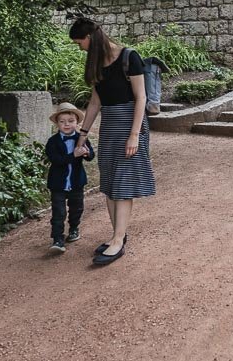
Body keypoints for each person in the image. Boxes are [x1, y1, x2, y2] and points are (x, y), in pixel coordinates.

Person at [69, 17, 156, 266]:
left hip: (131, 124)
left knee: (124, 182)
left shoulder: (130, 57)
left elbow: (141, 98)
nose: (80, 47)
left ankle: (118, 241)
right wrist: (82, 134)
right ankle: (117, 234)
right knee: (109, 182)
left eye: (79, 43)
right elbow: (96, 102)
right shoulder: (96, 63)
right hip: (109, 126)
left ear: (90, 38)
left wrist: (134, 134)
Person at [45, 102, 96, 252]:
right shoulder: (52, 142)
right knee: (58, 212)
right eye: (62, 121)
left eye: (71, 121)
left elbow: (91, 156)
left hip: (76, 182)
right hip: (58, 184)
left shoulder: (82, 138)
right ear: (57, 123)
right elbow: (56, 160)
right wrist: (73, 155)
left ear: (77, 122)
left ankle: (74, 228)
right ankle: (57, 239)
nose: (67, 124)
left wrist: (86, 153)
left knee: (76, 208)